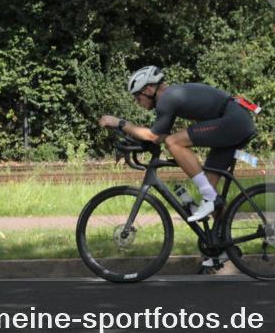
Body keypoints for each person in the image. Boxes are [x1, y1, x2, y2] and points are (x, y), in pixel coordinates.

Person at [99, 65, 258, 222]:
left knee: (174, 142)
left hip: (233, 122)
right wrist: (130, 142)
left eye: (137, 97)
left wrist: (119, 123)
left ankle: (210, 199)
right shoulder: (171, 97)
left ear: (148, 89)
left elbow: (154, 136)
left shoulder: (167, 98)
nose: (137, 102)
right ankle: (222, 234)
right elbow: (158, 137)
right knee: (209, 187)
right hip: (235, 122)